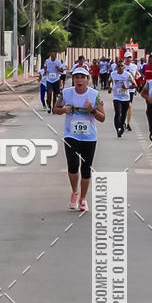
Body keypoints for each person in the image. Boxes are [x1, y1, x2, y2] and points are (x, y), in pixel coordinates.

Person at [53, 66, 105, 211]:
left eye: (82, 77)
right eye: (77, 77)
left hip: (89, 137)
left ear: (88, 79)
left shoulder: (95, 95)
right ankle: (74, 192)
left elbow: (102, 118)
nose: (79, 80)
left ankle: (83, 198)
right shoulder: (65, 93)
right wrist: (63, 110)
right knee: (73, 166)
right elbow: (55, 109)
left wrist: (92, 109)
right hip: (71, 135)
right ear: (73, 79)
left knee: (86, 169)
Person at [110, 58, 133, 137]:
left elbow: (135, 85)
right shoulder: (113, 74)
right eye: (119, 66)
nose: (120, 67)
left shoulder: (127, 75)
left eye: (122, 66)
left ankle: (122, 126)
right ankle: (118, 129)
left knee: (123, 114)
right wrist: (110, 87)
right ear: (116, 67)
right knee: (117, 112)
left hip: (126, 97)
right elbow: (110, 81)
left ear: (124, 67)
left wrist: (127, 87)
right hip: (117, 97)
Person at [123, 51, 140, 131]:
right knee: (124, 107)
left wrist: (136, 78)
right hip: (122, 89)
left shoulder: (134, 66)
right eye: (127, 57)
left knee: (129, 105)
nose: (128, 59)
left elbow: (137, 75)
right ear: (124, 58)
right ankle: (123, 121)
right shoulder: (121, 66)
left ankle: (128, 123)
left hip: (131, 89)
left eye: (129, 57)